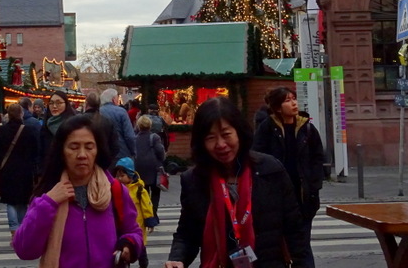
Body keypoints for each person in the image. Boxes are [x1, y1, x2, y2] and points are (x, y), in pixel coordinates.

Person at [165, 96, 306, 268]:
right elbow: (187, 232)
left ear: (239, 132)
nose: (221, 144)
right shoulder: (194, 180)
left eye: (226, 134)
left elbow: (295, 231)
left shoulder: (271, 170)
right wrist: (177, 258)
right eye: (211, 138)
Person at [13, 114, 144, 268]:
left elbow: (134, 231)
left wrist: (129, 245)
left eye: (89, 147)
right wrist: (48, 203)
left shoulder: (114, 190)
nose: (82, 155)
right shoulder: (48, 195)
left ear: (97, 150)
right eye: (74, 147)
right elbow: (24, 250)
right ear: (62, 151)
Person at [253, 86, 325, 268]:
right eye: (287, 100)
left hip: (303, 196)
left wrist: (314, 184)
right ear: (277, 107)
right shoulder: (267, 128)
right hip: (276, 196)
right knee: (277, 245)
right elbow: (257, 157)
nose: (293, 103)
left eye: (293, 98)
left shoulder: (307, 128)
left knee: (302, 244)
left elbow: (318, 157)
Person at [0, 103, 39, 243]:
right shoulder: (29, 130)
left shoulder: (1, 131)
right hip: (25, 170)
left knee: (10, 202)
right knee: (23, 201)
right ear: (21, 114)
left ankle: (14, 229)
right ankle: (22, 228)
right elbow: (36, 150)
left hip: (7, 170)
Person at [114, 157, 157, 268]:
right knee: (124, 246)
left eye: (122, 176)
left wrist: (149, 220)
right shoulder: (115, 189)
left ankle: (143, 263)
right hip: (123, 225)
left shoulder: (139, 190)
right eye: (117, 176)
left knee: (140, 245)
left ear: (130, 175)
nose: (119, 179)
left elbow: (146, 205)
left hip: (138, 225)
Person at [134, 115, 166, 219]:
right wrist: (162, 159)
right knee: (156, 191)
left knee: (145, 191)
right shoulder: (154, 137)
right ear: (150, 125)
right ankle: (154, 213)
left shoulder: (135, 138)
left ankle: (146, 212)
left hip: (140, 167)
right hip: (154, 167)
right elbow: (160, 151)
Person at [99, 88, 136, 160]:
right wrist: (133, 151)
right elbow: (129, 136)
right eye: (117, 98)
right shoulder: (121, 112)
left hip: (103, 154)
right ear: (113, 99)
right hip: (122, 153)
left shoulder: (98, 112)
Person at [39, 91, 76, 163]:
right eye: (51, 103)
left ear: (66, 104)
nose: (54, 106)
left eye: (58, 103)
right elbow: (41, 151)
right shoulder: (46, 124)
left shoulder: (74, 125)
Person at [83, 91, 119, 160]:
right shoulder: (108, 121)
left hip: (85, 160)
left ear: (86, 103)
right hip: (102, 161)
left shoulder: (77, 120)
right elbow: (115, 146)